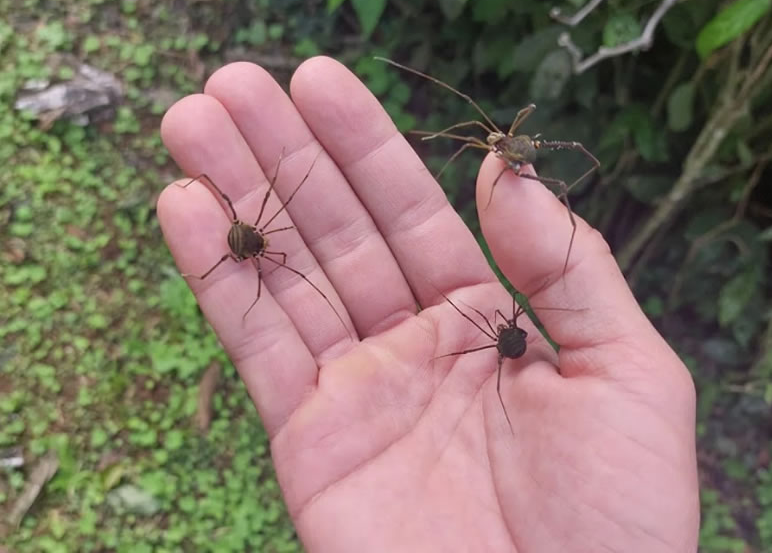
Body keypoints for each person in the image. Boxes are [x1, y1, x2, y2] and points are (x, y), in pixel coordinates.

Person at [157, 57, 700, 552]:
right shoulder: (261, 246)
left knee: (301, 246)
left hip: (495, 327)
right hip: (246, 250)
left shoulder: (496, 321)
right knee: (285, 249)